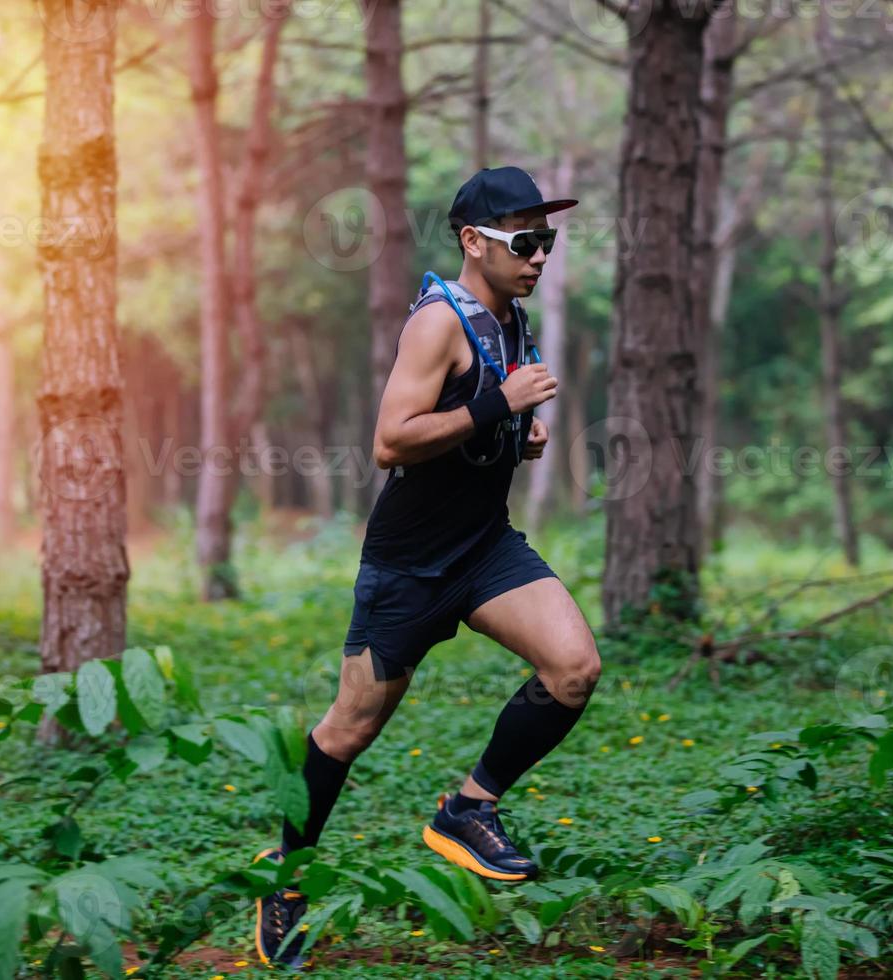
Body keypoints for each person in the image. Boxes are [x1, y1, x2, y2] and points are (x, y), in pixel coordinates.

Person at [255, 166, 603, 969]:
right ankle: (288, 872)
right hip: (409, 565)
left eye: (547, 240)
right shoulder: (436, 323)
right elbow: (390, 440)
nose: (541, 255)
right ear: (473, 241)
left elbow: (478, 426)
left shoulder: (512, 320)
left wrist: (518, 437)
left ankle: (466, 809)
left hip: (485, 548)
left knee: (574, 668)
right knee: (351, 728)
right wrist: (500, 409)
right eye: (525, 240)